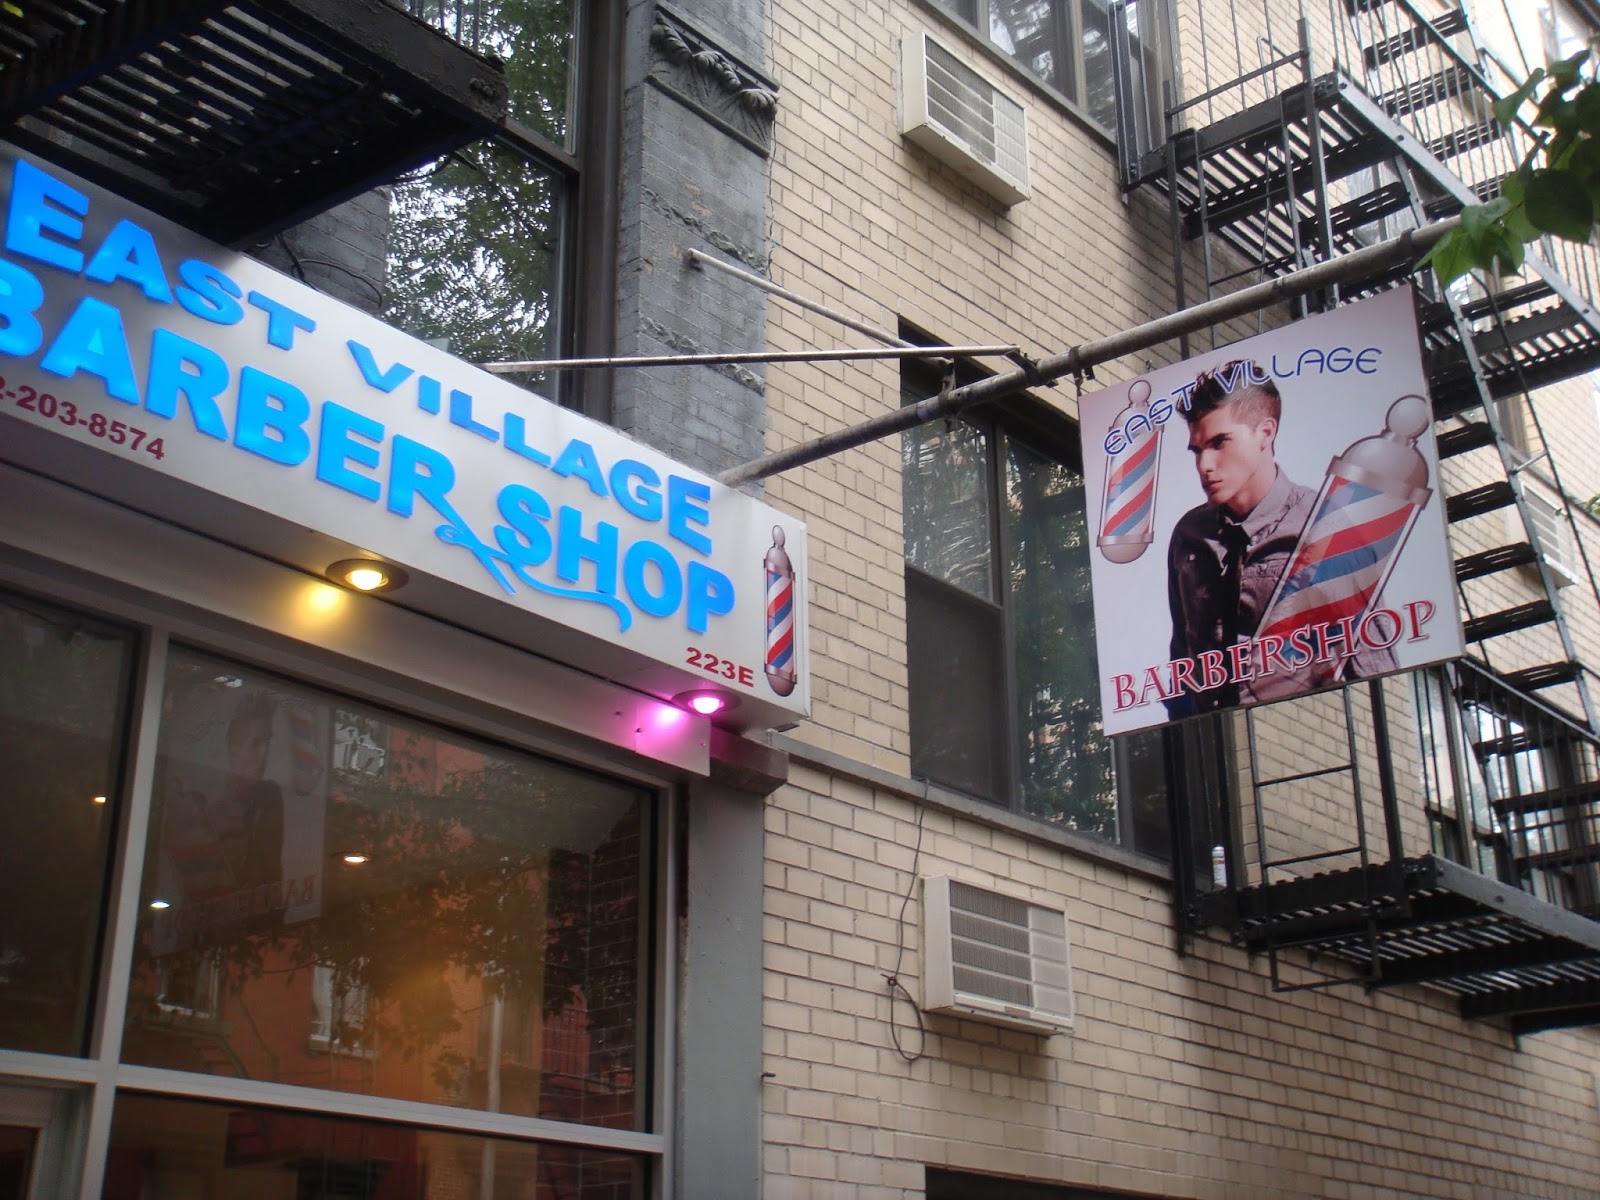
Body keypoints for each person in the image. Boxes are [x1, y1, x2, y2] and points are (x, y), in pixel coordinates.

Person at [1164, 360, 1394, 716]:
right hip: (1214, 745)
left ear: (1265, 434)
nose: (1204, 465)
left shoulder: (1326, 526)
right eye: (1197, 450)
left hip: (1300, 740)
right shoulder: (1189, 536)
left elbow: (1375, 668)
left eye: (1219, 443)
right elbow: (1182, 656)